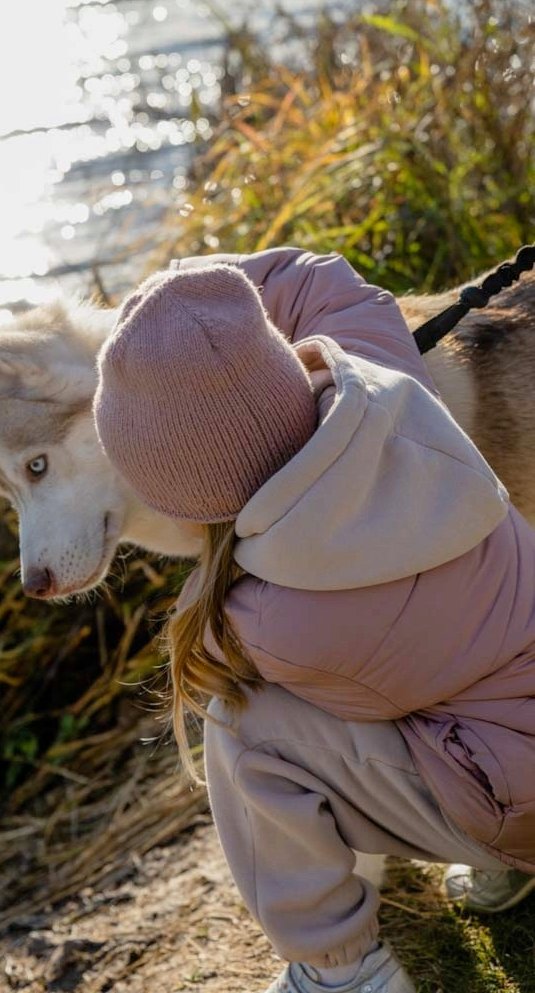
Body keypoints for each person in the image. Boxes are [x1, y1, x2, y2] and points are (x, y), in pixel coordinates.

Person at [93, 247, 535, 993]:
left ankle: (343, 969)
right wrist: (191, 287)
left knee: (244, 728)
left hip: (517, 805)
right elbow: (324, 280)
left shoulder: (267, 618)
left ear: (169, 495)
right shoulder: (393, 382)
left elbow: (343, 714)